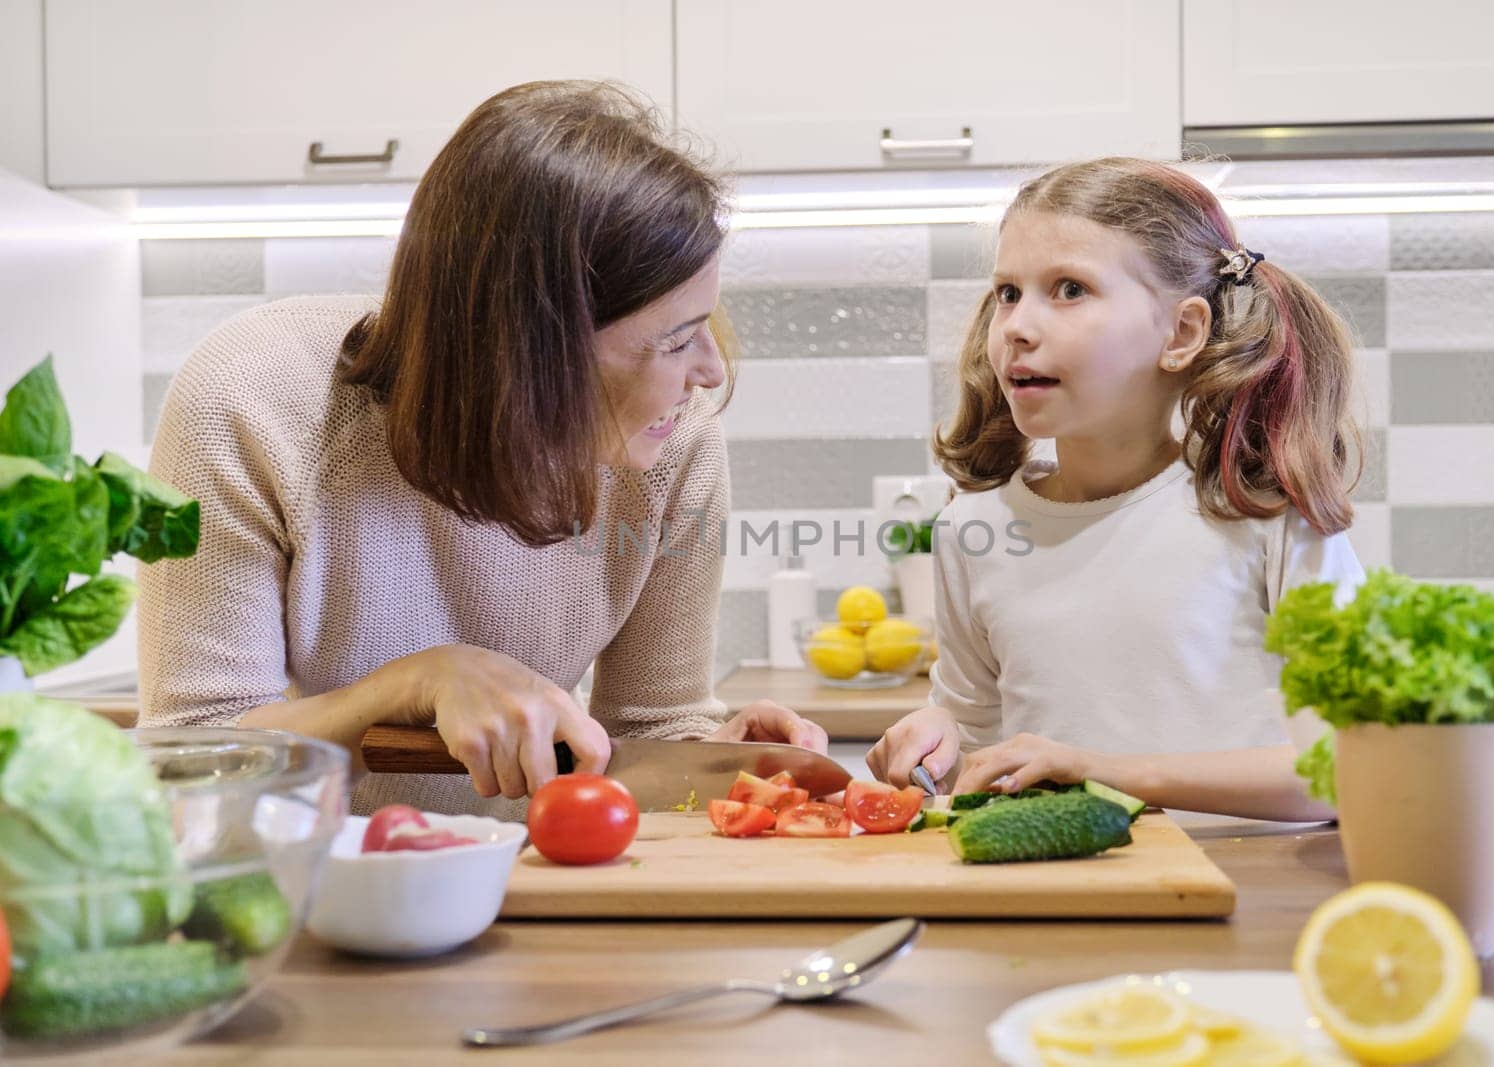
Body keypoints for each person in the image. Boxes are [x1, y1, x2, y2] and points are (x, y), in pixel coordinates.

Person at [138, 81, 826, 817]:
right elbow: (188, 758)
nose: (710, 374)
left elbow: (647, 730)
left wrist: (718, 757)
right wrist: (415, 684)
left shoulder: (674, 444)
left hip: (535, 879)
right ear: (535, 350)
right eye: (677, 339)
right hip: (309, 888)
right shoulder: (249, 400)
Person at [866, 157, 1363, 822]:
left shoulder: (1267, 512)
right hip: (1059, 900)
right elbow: (982, 751)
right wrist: (939, 740)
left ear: (1180, 333)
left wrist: (1108, 772)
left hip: (1251, 895)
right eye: (1009, 292)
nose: (1016, 325)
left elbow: (1348, 766)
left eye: (1070, 289)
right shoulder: (973, 528)